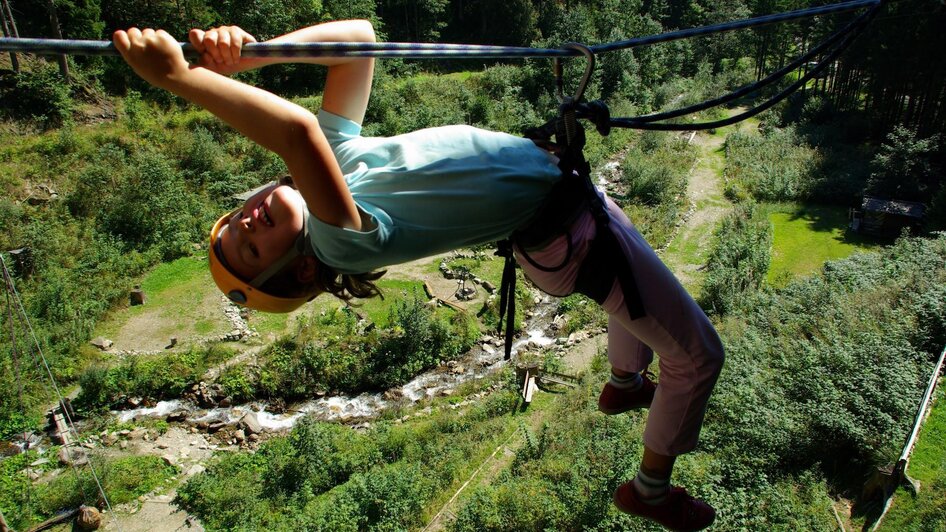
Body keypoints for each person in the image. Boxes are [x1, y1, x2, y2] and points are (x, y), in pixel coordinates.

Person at [112, 20, 725, 531]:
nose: (248, 222)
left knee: (639, 301)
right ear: (299, 266)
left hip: (569, 216)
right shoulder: (340, 240)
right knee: (698, 357)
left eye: (237, 224)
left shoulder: (340, 163)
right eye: (251, 246)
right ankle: (648, 491)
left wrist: (253, 56)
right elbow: (295, 134)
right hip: (573, 236)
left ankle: (625, 381)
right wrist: (182, 79)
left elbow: (358, 41)